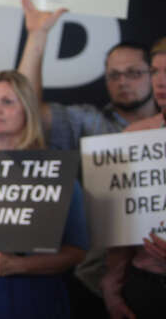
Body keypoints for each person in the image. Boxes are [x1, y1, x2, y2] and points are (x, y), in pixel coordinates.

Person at [17, 0, 156, 314]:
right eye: (113, 75)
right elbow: (28, 112)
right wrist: (37, 35)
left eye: (134, 73)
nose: (123, 82)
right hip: (95, 277)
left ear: (155, 75)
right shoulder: (91, 122)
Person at [0, 70, 88, 319]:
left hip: (33, 297)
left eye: (8, 101)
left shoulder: (55, 173)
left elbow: (77, 250)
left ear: (28, 111)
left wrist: (19, 265)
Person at [100, 37, 166, 319]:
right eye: (155, 72)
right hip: (146, 285)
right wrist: (112, 286)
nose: (161, 82)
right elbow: (122, 226)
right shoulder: (134, 137)